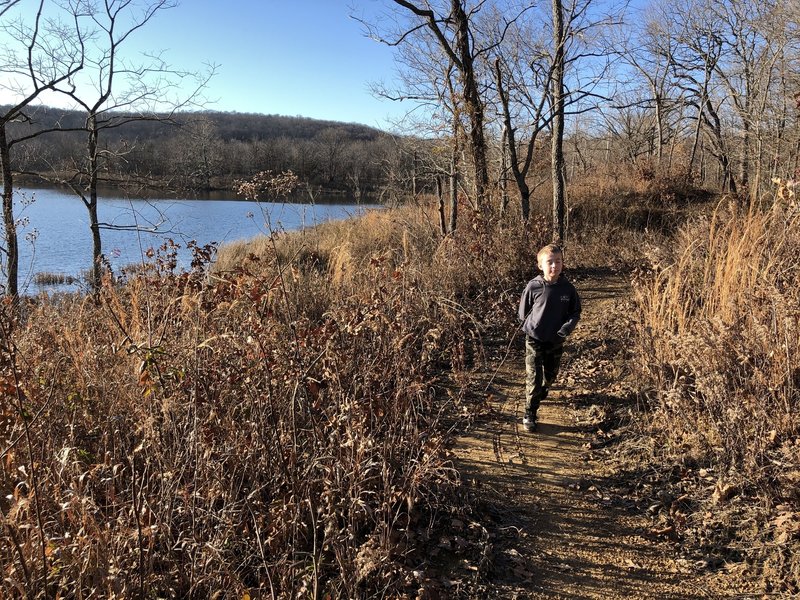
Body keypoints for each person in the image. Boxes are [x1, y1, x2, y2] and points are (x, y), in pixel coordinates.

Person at [518, 243, 582, 432]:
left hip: (556, 340)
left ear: (562, 263)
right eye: (550, 262)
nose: (554, 266)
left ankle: (543, 390)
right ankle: (530, 413)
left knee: (550, 376)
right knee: (534, 378)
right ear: (541, 266)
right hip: (534, 339)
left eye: (558, 261)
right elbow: (523, 311)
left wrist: (566, 328)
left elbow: (575, 312)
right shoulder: (534, 286)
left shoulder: (568, 289)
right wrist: (528, 327)